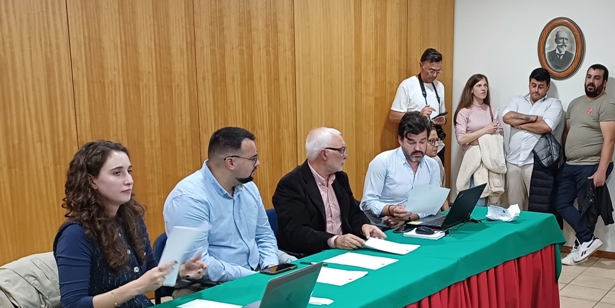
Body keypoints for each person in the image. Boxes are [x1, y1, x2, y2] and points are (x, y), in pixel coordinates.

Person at [55, 141, 205, 308]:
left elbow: (152, 275)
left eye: (129, 171)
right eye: (117, 173)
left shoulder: (131, 219)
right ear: (91, 181)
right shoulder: (76, 235)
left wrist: (181, 271)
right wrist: (137, 287)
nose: (129, 180)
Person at [163, 127, 278, 283]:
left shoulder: (249, 187)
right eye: (253, 158)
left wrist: (271, 267)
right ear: (230, 162)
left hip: (256, 274)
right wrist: (254, 278)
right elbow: (199, 264)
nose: (258, 163)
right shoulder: (189, 198)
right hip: (208, 286)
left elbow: (264, 235)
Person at [271, 127, 386, 257]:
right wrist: (334, 240)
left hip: (345, 251)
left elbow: (353, 212)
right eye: (341, 150)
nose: (346, 156)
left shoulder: (340, 178)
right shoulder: (291, 184)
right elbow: (297, 232)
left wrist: (364, 226)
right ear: (324, 154)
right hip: (311, 255)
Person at [557, 64, 615, 264]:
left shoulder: (607, 105)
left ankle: (582, 245)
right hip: (571, 164)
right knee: (560, 203)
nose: (591, 81)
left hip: (591, 164)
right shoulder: (575, 104)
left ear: (604, 82)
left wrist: (602, 170)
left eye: (597, 78)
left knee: (587, 210)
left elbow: (610, 140)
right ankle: (586, 240)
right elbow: (567, 133)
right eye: (589, 76)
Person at [361, 111, 443, 227]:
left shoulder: (433, 165)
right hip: (383, 227)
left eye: (422, 142)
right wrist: (391, 210)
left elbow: (432, 204)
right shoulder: (382, 162)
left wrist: (407, 218)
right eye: (411, 142)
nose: (418, 148)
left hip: (417, 224)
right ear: (400, 140)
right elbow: (367, 203)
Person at [502, 68, 564, 209]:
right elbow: (507, 117)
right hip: (513, 161)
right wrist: (535, 118)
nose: (536, 90)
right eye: (533, 85)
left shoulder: (553, 104)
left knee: (538, 209)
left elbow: (546, 126)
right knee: (514, 209)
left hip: (535, 164)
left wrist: (519, 124)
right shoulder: (517, 100)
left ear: (548, 87)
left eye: (541, 86)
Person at [454, 73, 503, 207]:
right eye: (479, 85)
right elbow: (461, 139)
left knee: (492, 203)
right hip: (473, 162)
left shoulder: (492, 110)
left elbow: (499, 137)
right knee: (477, 202)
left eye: (485, 85)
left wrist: (477, 140)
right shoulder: (464, 111)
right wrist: (485, 131)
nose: (483, 88)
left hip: (490, 162)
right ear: (471, 89)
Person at [389, 48, 448, 160]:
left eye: (438, 71)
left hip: (436, 145)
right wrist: (418, 115)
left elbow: (444, 115)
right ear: (421, 65)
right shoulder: (407, 85)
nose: (435, 75)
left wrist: (443, 120)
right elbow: (393, 116)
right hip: (415, 146)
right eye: (431, 71)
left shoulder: (440, 86)